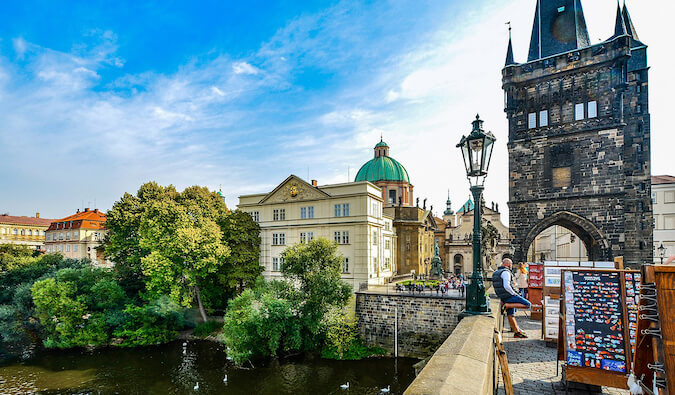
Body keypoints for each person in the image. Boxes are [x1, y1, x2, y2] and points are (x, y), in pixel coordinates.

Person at [492, 258, 531, 338]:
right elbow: (506, 286)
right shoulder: (506, 272)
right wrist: (514, 294)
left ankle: (516, 331)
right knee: (528, 304)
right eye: (511, 264)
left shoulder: (496, 272)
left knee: (511, 314)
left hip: (502, 295)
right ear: (508, 264)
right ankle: (507, 305)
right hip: (508, 296)